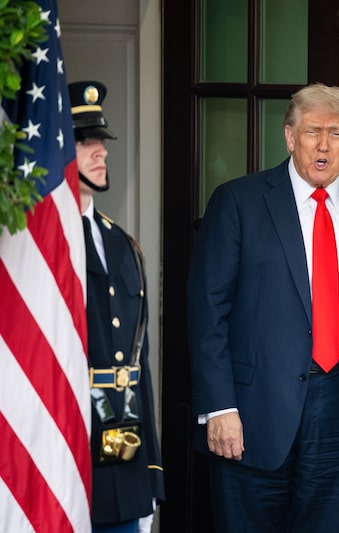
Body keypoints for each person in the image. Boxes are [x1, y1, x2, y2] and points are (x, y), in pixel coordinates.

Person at [187, 83, 339, 532]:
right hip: (250, 410)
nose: (324, 145)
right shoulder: (238, 202)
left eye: (337, 133)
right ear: (289, 137)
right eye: (312, 132)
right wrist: (219, 407)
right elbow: (207, 310)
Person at [71, 80, 165, 533]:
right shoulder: (41, 248)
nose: (100, 152)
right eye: (85, 142)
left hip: (124, 459)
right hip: (64, 455)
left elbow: (137, 365)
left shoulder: (121, 243)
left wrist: (150, 477)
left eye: (101, 142)